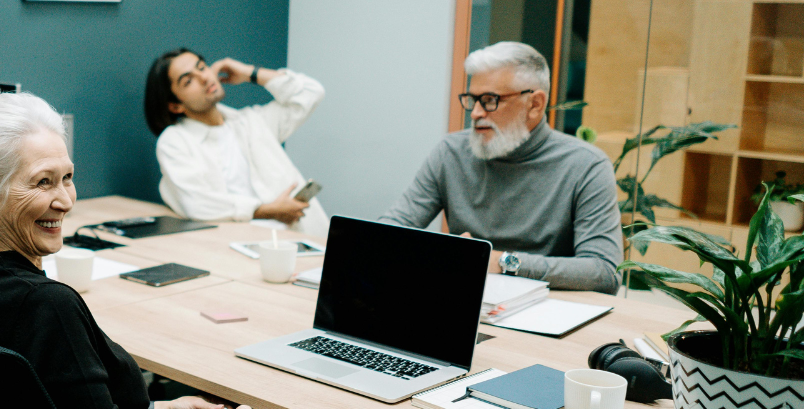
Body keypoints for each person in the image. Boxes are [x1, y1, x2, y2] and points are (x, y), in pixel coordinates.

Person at [0, 80, 250, 409]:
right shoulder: (48, 305)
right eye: (43, 182)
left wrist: (165, 407)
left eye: (67, 178)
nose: (65, 201)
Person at [379, 41, 623, 294]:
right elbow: (393, 228)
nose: (475, 113)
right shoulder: (450, 152)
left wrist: (503, 262)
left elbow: (604, 271)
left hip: (546, 310)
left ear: (535, 104)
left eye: (489, 100)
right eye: (472, 100)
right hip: (463, 300)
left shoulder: (586, 165)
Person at [144, 47, 330, 237]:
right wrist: (269, 211)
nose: (204, 78)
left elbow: (311, 93)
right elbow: (197, 204)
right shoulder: (175, 141)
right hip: (233, 245)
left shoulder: (252, 122)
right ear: (175, 105)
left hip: (296, 239)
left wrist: (250, 73)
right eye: (188, 80)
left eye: (201, 67)